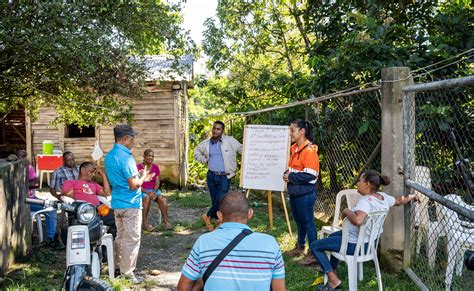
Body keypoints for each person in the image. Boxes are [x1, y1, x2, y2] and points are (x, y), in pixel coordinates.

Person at [306, 170, 418, 290]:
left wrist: (346, 211)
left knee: (314, 246)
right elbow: (399, 200)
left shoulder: (365, 202)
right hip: (369, 244)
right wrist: (413, 196)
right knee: (331, 237)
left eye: (360, 180)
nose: (358, 183)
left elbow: (359, 221)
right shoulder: (383, 198)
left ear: (367, 184)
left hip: (355, 245)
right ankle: (332, 271)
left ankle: (333, 281)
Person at [177, 191, 286, 291]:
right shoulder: (270, 243)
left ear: (219, 215)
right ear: (250, 213)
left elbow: (183, 287)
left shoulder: (203, 241)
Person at [104, 124, 153, 283]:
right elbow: (133, 185)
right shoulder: (126, 157)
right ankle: (128, 273)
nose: (133, 141)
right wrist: (143, 178)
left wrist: (136, 177)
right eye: (132, 138)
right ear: (125, 139)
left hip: (117, 202)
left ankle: (117, 266)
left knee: (120, 236)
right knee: (132, 238)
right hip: (130, 203)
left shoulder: (110, 155)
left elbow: (120, 178)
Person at [283, 119, 320, 263]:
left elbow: (310, 175)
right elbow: (293, 168)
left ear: (302, 131)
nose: (290, 133)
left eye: (292, 130)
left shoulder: (309, 151)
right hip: (295, 192)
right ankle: (300, 246)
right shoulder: (294, 148)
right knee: (299, 221)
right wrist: (287, 173)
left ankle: (314, 253)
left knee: (308, 222)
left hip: (305, 194)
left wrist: (290, 176)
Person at [194, 121, 242, 231]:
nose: (215, 131)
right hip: (211, 176)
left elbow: (241, 149)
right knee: (215, 201)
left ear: (222, 131)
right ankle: (218, 223)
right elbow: (196, 152)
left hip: (224, 177)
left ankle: (207, 216)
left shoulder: (230, 141)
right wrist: (204, 160)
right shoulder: (206, 143)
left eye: (218, 129)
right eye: (214, 128)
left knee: (221, 201)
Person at [13, 149, 59, 248]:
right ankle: (46, 239)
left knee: (51, 207)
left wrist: (28, 183)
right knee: (50, 209)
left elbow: (36, 184)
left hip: (31, 199)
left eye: (26, 156)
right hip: (20, 203)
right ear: (16, 157)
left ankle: (51, 239)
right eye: (22, 156)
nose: (25, 158)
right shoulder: (12, 171)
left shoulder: (29, 168)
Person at [137, 149, 171, 231]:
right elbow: (136, 184)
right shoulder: (137, 167)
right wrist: (148, 192)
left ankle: (165, 222)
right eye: (149, 155)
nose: (151, 158)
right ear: (144, 157)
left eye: (152, 156)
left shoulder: (155, 167)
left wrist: (154, 192)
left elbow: (157, 181)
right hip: (142, 190)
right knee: (146, 198)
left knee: (162, 199)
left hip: (153, 190)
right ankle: (144, 224)